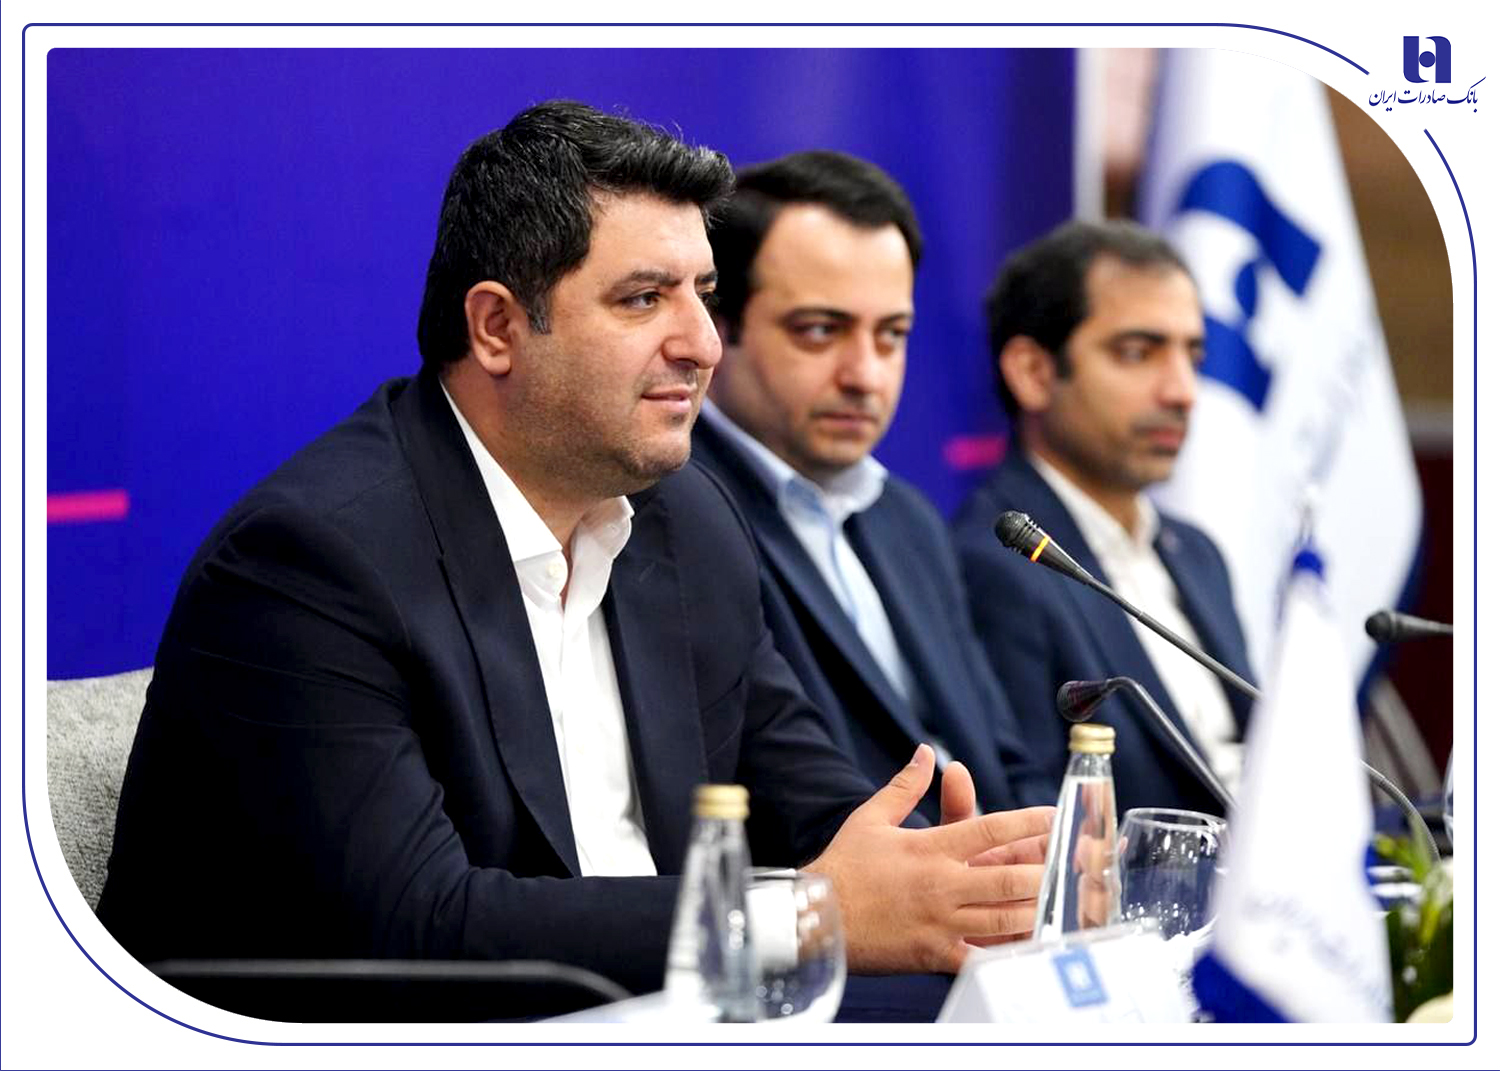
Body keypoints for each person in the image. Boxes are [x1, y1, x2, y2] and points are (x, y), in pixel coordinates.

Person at [96, 102, 1051, 1020]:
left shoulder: (688, 524)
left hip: (661, 1016)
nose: (702, 345)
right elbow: (419, 929)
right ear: (497, 327)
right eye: (644, 299)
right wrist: (803, 914)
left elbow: (808, 797)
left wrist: (969, 878)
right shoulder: (313, 560)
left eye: (704, 296)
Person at [692, 150, 1052, 824]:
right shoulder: (678, 511)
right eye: (820, 331)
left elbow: (1002, 755)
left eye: (891, 335)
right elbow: (780, 798)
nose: (865, 375)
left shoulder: (908, 520)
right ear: (718, 325)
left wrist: (1057, 847)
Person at [951, 220, 1255, 818]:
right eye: (1138, 353)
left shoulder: (1198, 553)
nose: (1183, 391)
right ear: (1034, 372)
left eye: (1192, 355)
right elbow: (1033, 812)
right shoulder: (993, 562)